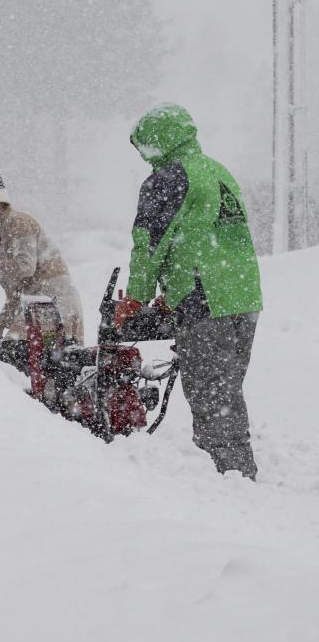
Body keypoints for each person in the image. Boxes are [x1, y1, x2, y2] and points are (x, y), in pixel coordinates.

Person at [114, 104, 262, 480]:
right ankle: (234, 470)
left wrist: (136, 298)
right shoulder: (217, 170)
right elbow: (207, 236)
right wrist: (175, 288)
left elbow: (149, 243)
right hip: (242, 294)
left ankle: (230, 480)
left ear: (157, 141)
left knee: (212, 396)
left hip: (205, 295)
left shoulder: (168, 177)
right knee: (225, 391)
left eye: (144, 146)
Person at [0, 168, 85, 367]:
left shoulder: (17, 222)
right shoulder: (5, 229)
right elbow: (17, 291)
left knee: (15, 362)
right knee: (45, 374)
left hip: (54, 306)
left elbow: (25, 268)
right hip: (42, 309)